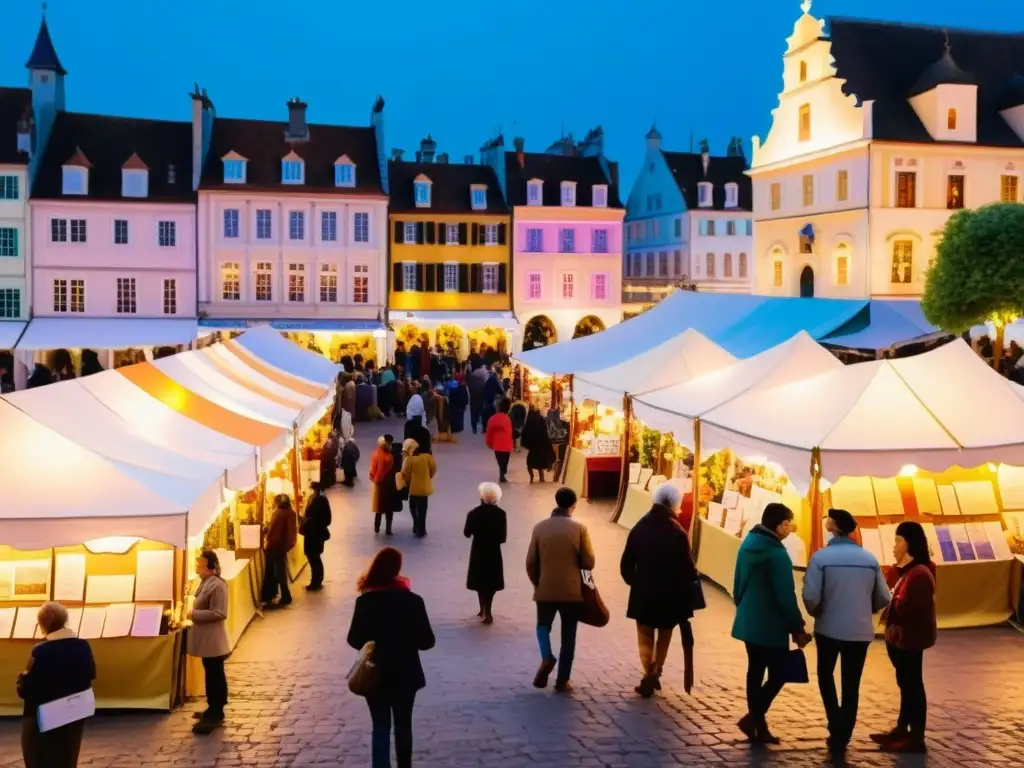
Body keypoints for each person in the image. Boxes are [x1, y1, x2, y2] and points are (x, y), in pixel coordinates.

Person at [802, 508, 891, 755]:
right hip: (859, 630)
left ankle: (835, 722)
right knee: (851, 682)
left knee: (825, 674)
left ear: (833, 526)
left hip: (829, 627)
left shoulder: (821, 558)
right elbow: (883, 596)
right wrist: (866, 608)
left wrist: (816, 611)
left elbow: (810, 595)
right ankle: (845, 731)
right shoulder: (869, 559)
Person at [347, 547, 435, 768]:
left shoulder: (365, 601)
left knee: (380, 725)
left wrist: (372, 644)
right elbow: (427, 642)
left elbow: (353, 638)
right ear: (397, 569)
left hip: (375, 673)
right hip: (406, 673)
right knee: (404, 725)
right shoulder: (413, 601)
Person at [731, 503, 811, 745]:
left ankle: (758, 724)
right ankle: (754, 718)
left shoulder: (747, 545)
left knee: (755, 671)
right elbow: (785, 595)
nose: (789, 528)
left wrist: (743, 607)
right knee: (778, 673)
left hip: (748, 620)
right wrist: (797, 625)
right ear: (778, 525)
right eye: (787, 524)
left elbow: (737, 583)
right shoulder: (777, 554)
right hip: (770, 624)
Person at [619, 484, 698, 698]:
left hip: (643, 593)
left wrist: (636, 583)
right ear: (674, 505)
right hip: (670, 595)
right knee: (664, 634)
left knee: (645, 635)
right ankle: (655, 670)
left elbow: (626, 564)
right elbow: (688, 568)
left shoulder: (640, 527)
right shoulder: (677, 532)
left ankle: (649, 672)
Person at [874, 521, 937, 754]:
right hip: (902, 639)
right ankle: (903, 728)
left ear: (910, 543)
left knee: (912, 684)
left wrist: (892, 598)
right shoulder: (907, 570)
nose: (894, 546)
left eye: (899, 540)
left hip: (911, 639)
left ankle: (915, 736)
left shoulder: (919, 572)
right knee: (906, 683)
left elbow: (909, 606)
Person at [525, 486, 595, 693]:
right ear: (573, 505)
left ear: (556, 502)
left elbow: (530, 562)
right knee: (568, 635)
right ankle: (562, 680)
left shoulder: (539, 528)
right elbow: (588, 562)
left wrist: (538, 582)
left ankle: (546, 656)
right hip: (571, 592)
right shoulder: (580, 529)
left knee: (542, 626)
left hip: (545, 588)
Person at [17, 601, 95, 766]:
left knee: (38, 759)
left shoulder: (40, 651)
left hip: (43, 718)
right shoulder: (83, 646)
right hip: (75, 712)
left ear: (43, 625)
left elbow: (27, 689)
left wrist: (21, 679)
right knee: (67, 759)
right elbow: (92, 674)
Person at [187, 551, 231, 734]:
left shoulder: (218, 585)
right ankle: (212, 706)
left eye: (200, 566)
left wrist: (193, 614)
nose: (197, 569)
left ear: (209, 567)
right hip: (206, 640)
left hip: (214, 640)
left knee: (215, 674)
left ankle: (216, 709)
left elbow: (220, 612)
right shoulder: (205, 582)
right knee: (211, 672)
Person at [464, 482, 508, 624]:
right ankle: (488, 609)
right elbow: (502, 538)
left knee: (479, 581)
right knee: (491, 581)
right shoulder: (501, 514)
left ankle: (482, 607)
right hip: (494, 551)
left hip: (478, 550)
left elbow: (466, 533)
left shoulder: (474, 513)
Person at [262, 494, 297, 607]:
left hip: (274, 547)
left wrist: (266, 533)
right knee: (280, 572)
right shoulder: (291, 513)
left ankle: (278, 595)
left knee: (275, 572)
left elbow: (273, 530)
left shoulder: (277, 513)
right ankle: (284, 595)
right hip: (281, 547)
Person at [400, 438, 436, 538]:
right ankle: (422, 529)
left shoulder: (409, 460)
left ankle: (417, 523)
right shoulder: (427, 457)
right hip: (425, 488)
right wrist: (428, 478)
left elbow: (405, 474)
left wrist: (406, 482)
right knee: (423, 510)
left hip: (414, 489)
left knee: (412, 507)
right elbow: (433, 469)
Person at [300, 483, 333, 591]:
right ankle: (317, 580)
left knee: (314, 558)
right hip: (316, 533)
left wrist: (311, 521)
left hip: (313, 533)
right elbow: (328, 519)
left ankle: (316, 581)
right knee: (315, 558)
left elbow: (323, 518)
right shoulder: (319, 499)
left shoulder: (317, 500)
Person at [520, 403, 556, 483]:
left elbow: (525, 433)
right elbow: (544, 433)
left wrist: (527, 444)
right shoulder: (541, 420)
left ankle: (532, 477)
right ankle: (541, 477)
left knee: (530, 464)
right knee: (541, 465)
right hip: (541, 446)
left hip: (532, 448)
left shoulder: (529, 421)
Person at [370, 436, 396, 535]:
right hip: (389, 484)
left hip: (379, 484)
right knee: (388, 508)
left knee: (379, 507)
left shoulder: (376, 454)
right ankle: (388, 529)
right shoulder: (390, 457)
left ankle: (377, 527)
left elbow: (373, 469)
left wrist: (374, 478)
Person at [485, 398, 514, 484]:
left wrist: (489, 443)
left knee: (500, 460)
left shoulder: (492, 419)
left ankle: (502, 474)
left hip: (497, 444)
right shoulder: (507, 419)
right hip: (506, 445)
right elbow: (510, 433)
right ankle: (503, 474)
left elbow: (489, 432)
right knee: (505, 461)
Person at [468, 363, 488, 433]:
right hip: (481, 397)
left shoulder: (472, 376)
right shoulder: (484, 375)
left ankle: (474, 428)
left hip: (473, 397)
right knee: (482, 413)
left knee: (474, 412)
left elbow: (469, 388)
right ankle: (483, 428)